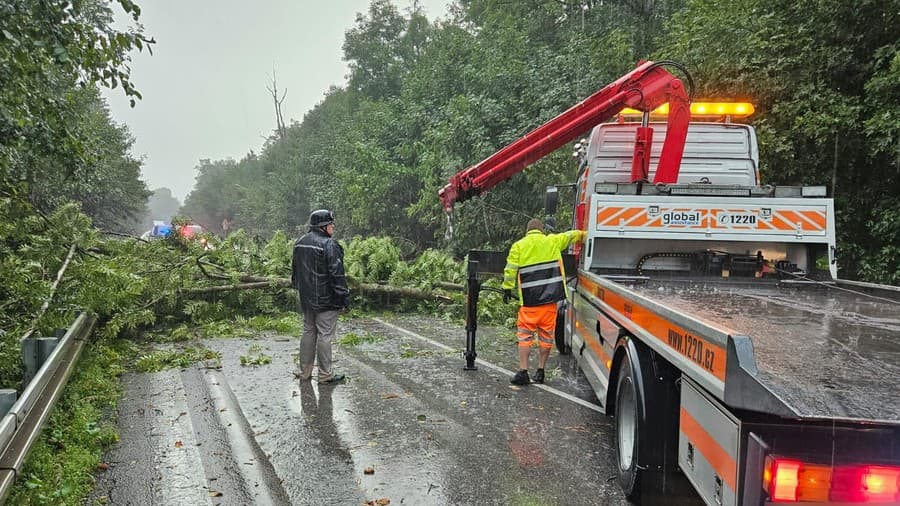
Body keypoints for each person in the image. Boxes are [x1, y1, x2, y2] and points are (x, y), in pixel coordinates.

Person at [502, 218, 585, 385]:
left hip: (529, 303)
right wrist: (585, 235)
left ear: (527, 231)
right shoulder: (552, 241)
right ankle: (540, 371)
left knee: (525, 337)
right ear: (542, 230)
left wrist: (507, 287)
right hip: (549, 302)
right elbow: (570, 236)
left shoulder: (519, 246)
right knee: (546, 338)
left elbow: (510, 270)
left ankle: (523, 371)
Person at [291, 209, 349, 384]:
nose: (333, 227)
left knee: (308, 331)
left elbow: (295, 272)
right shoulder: (329, 245)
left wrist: (299, 289)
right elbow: (337, 275)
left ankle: (305, 372)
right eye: (331, 224)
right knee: (325, 335)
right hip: (327, 300)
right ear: (323, 226)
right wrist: (343, 298)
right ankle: (325, 375)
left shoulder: (300, 242)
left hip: (307, 298)